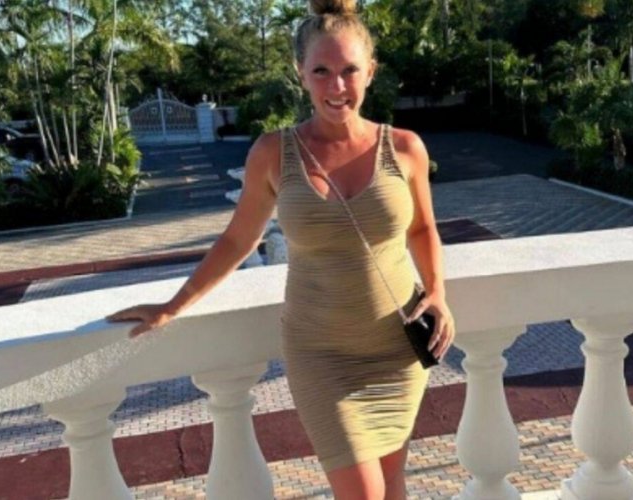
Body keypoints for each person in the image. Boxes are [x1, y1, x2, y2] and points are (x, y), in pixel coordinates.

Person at [107, 0, 455, 498]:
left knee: (392, 482)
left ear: (371, 71)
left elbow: (422, 229)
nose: (337, 86)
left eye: (349, 70)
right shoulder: (274, 152)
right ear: (300, 74)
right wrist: (172, 306)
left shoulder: (404, 148)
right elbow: (238, 239)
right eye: (321, 71)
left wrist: (437, 292)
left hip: (396, 346)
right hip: (322, 355)